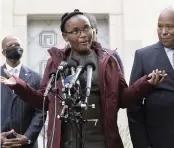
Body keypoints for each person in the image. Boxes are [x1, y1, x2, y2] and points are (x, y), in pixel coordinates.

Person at [0, 10, 167, 148]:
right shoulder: (56, 63)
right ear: (65, 36)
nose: (83, 35)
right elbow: (44, 102)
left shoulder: (109, 60)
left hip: (101, 141)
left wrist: (146, 83)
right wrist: (19, 86)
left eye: (86, 28)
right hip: (66, 142)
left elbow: (122, 98)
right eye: (75, 31)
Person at [127, 7, 174, 148]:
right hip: (158, 140)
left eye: (169, 27)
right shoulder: (143, 56)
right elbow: (133, 104)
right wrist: (142, 144)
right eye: (160, 26)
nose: (163, 32)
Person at [0, 35, 46, 148]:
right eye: (10, 46)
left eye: (17, 45)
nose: (14, 47)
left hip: (27, 144)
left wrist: (28, 137)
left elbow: (41, 110)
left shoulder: (36, 77)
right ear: (3, 52)